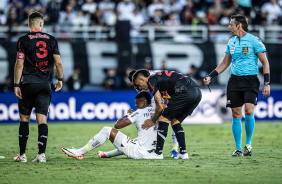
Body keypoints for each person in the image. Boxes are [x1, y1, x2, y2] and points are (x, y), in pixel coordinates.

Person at [203, 14, 270, 157]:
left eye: (231, 24)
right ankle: (238, 148)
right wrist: (210, 75)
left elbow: (265, 62)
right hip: (234, 81)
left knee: (249, 110)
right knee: (236, 113)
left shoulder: (254, 41)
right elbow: (225, 63)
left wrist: (267, 83)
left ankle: (248, 145)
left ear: (239, 26)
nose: (228, 27)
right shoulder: (231, 42)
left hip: (251, 80)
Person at [13, 12, 63, 163]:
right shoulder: (52, 40)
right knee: (42, 120)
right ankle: (41, 155)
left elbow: (19, 64)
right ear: (41, 24)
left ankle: (22, 155)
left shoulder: (23, 40)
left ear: (29, 24)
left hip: (28, 83)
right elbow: (59, 63)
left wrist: (16, 84)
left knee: (24, 120)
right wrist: (60, 79)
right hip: (44, 84)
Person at [62, 92, 159, 159]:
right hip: (155, 153)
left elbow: (117, 125)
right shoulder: (157, 112)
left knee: (106, 130)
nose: (136, 106)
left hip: (140, 153)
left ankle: (79, 152)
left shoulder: (139, 112)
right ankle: (106, 154)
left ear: (143, 103)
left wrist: (128, 116)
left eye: (137, 104)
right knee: (135, 140)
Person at [133, 69, 202, 159]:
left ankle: (158, 153)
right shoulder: (160, 78)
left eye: (138, 85)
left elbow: (160, 106)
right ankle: (183, 153)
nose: (140, 88)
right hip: (197, 93)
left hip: (184, 91)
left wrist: (152, 121)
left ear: (142, 79)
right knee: (175, 121)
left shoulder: (151, 81)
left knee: (163, 119)